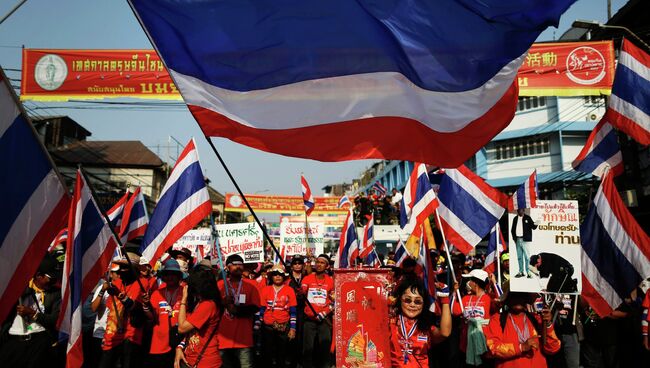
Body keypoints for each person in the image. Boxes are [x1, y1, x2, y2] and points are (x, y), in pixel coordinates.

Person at [0, 255, 62, 368]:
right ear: (38, 275)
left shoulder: (56, 294)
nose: (54, 281)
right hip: (13, 343)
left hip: (39, 342)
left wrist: (33, 313)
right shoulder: (19, 288)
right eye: (51, 278)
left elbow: (55, 319)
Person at [484, 282, 560, 368]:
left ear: (526, 299)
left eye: (521, 295)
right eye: (514, 295)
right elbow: (493, 348)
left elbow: (553, 348)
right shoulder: (497, 320)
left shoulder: (536, 319)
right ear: (507, 299)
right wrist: (522, 347)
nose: (518, 298)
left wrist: (548, 324)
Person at [98, 256, 148, 368]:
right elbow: (111, 310)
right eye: (120, 267)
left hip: (130, 336)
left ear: (134, 269)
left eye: (125, 267)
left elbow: (134, 307)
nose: (121, 270)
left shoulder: (142, 283)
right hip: (112, 335)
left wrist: (119, 295)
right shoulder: (117, 282)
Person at [389, 278, 451, 367]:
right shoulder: (390, 322)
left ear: (423, 304)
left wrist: (445, 300)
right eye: (407, 300)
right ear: (400, 300)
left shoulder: (425, 326)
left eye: (418, 301)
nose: (412, 305)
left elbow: (445, 333)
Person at [217, 254, 261, 368]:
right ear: (227, 267)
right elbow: (211, 307)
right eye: (234, 264)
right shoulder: (220, 285)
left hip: (244, 339)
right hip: (223, 338)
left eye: (240, 264)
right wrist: (222, 303)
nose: (238, 267)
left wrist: (236, 310)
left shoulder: (252, 284)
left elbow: (255, 307)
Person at [175, 269, 223, 368]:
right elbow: (190, 331)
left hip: (206, 361)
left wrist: (183, 301)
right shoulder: (199, 303)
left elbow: (181, 328)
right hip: (191, 358)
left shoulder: (208, 305)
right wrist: (180, 347)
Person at [258, 264, 298, 367]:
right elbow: (261, 309)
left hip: (283, 326)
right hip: (268, 327)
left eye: (280, 274)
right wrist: (258, 325)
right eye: (275, 274)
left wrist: (293, 329)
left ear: (284, 276)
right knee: (267, 353)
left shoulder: (289, 290)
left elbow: (293, 311)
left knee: (282, 353)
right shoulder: (265, 289)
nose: (278, 276)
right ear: (271, 276)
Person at [148, 259, 185, 368]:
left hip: (179, 344)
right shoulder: (156, 293)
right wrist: (146, 307)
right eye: (167, 274)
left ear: (179, 276)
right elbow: (151, 317)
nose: (170, 277)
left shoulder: (185, 292)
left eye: (173, 274)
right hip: (158, 344)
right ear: (163, 277)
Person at [452, 269, 493, 366]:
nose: (468, 283)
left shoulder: (488, 298)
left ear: (476, 283)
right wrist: (454, 293)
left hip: (484, 346)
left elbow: (501, 300)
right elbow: (454, 311)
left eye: (470, 280)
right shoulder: (466, 298)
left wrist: (494, 284)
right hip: (466, 345)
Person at [300, 254, 335, 368]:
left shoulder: (331, 281)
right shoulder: (307, 278)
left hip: (324, 320)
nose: (318, 265)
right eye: (317, 262)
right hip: (309, 320)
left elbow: (334, 302)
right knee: (308, 349)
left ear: (327, 266)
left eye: (322, 263)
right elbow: (302, 292)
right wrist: (300, 292)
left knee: (325, 349)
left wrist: (324, 313)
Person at [510, 208, 537, 278]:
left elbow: (533, 227)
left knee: (527, 257)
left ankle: (528, 272)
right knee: (519, 257)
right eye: (518, 210)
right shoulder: (515, 218)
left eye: (521, 210)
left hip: (525, 239)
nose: (519, 211)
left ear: (524, 210)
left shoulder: (527, 218)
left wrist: (537, 222)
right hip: (518, 239)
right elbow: (512, 229)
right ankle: (521, 271)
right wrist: (514, 238)